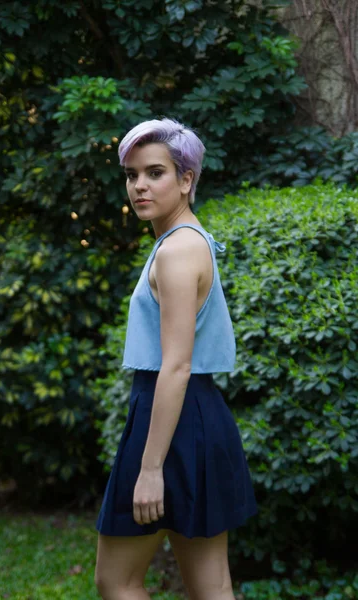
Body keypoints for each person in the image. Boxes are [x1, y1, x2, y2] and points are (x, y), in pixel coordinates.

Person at [94, 117, 258, 600]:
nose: (139, 185)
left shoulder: (178, 251)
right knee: (212, 587)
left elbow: (176, 365)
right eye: (131, 174)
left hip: (171, 420)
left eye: (155, 172)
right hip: (196, 418)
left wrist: (149, 469)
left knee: (117, 582)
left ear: (187, 180)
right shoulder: (188, 241)